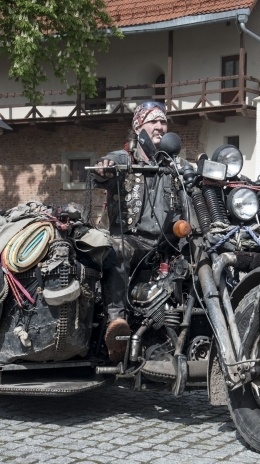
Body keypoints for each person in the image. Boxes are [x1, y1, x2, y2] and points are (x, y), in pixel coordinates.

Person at [91, 100, 182, 361]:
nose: (160, 126)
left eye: (163, 121)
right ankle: (116, 323)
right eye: (153, 121)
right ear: (138, 126)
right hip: (132, 239)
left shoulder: (175, 164)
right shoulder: (125, 158)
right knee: (117, 249)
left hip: (168, 242)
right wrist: (104, 168)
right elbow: (103, 169)